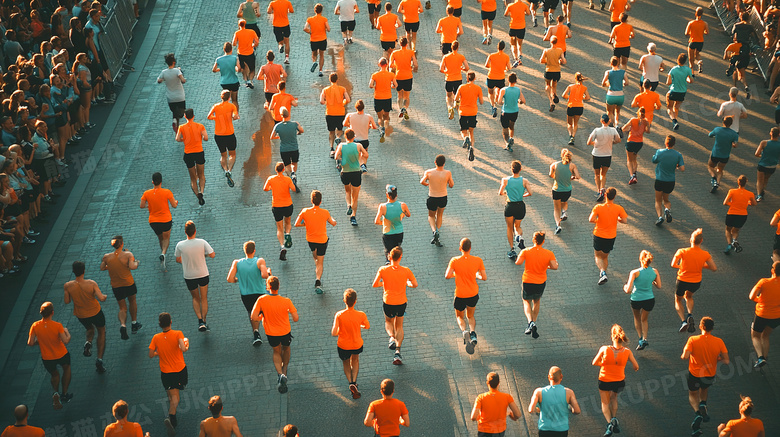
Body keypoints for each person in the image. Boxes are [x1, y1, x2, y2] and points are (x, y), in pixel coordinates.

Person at [251, 276, 299, 393]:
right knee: (286, 349)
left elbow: (253, 317)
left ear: (268, 287)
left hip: (271, 333)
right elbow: (296, 318)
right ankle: (285, 369)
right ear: (279, 287)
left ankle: (280, 374)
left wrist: (261, 317)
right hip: (285, 332)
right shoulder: (286, 301)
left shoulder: (262, 300)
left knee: (276, 351)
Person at [682, 317, 729, 437]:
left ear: (701, 327)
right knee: (704, 389)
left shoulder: (693, 339)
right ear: (712, 328)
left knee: (693, 394)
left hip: (694, 374)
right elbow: (726, 360)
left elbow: (685, 356)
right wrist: (717, 358)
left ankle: (698, 412)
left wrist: (685, 352)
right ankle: (703, 404)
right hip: (709, 374)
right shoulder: (719, 341)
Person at [372, 246, 418, 365]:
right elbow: (415, 284)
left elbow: (375, 284)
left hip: (388, 301)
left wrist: (384, 284)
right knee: (399, 325)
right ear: (401, 257)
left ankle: (391, 337)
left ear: (389, 257)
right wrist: (407, 283)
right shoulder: (406, 270)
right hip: (401, 302)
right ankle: (397, 352)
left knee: (388, 321)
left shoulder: (383, 269)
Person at [592, 324, 639, 437]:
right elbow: (636, 366)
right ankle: (614, 417)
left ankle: (610, 423)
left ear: (612, 336)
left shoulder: (604, 349)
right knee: (614, 398)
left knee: (604, 402)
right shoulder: (627, 351)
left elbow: (594, 362)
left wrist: (603, 364)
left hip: (604, 379)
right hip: (619, 381)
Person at [149, 312, 189, 437]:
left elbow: (151, 354)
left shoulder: (156, 337)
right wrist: (186, 345)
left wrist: (158, 353)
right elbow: (183, 349)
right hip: (179, 370)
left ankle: (170, 399)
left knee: (170, 391)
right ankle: (171, 416)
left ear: (160, 324)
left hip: (166, 372)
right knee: (176, 397)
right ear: (171, 322)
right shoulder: (178, 333)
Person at [63, 261, 107, 373]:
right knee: (101, 331)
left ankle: (88, 342)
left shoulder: (68, 286)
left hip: (81, 314)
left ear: (73, 272)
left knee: (89, 328)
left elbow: (67, 301)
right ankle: (99, 359)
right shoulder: (91, 284)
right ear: (84, 271)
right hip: (95, 312)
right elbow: (101, 298)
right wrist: (104, 296)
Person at [445, 238, 487, 354]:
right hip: (473, 293)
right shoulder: (478, 260)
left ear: (460, 248)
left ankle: (464, 331)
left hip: (460, 295)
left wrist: (456, 274)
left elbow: (447, 275)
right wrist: (476, 275)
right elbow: (484, 277)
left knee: (459, 316)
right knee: (471, 316)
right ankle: (473, 333)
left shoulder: (454, 260)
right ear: (470, 248)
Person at [27, 302, 71, 409]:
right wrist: (67, 332)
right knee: (66, 369)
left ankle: (56, 393)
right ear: (52, 312)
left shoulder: (35, 326)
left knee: (55, 375)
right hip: (61, 354)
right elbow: (65, 341)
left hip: (47, 357)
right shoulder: (57, 326)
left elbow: (30, 342)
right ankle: (64, 394)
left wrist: (40, 341)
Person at [672, 229, 717, 333]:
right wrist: (701, 265)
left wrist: (682, 266)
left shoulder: (682, 251)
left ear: (690, 240)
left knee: (678, 299)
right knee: (689, 296)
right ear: (701, 241)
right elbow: (714, 268)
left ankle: (683, 321)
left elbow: (673, 264)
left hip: (682, 280)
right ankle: (690, 314)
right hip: (696, 282)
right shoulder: (705, 254)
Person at [174, 220, 216, 332]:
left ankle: (199, 320)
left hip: (189, 276)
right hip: (203, 274)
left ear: (185, 232)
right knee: (204, 298)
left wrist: (187, 259)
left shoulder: (180, 245)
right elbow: (212, 254)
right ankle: (205, 320)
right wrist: (203, 255)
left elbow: (178, 259)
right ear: (195, 231)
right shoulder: (202, 242)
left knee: (195, 298)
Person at [226, 240, 270, 346]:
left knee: (252, 313)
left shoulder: (237, 263)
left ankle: (256, 333)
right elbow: (264, 275)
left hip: (246, 294)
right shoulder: (259, 261)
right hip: (260, 293)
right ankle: (271, 330)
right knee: (264, 312)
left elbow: (230, 279)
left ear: (244, 251)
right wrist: (268, 272)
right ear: (254, 251)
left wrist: (237, 279)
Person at [515, 231, 557, 339]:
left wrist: (521, 254)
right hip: (540, 282)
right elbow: (554, 266)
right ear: (543, 241)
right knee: (537, 301)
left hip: (528, 281)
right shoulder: (549, 253)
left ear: (533, 240)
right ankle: (534, 322)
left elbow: (518, 262)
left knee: (526, 301)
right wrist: (546, 266)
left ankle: (530, 322)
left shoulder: (526, 251)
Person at [294, 190, 337, 294]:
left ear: (311, 200)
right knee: (320, 261)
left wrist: (305, 225)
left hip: (311, 240)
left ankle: (316, 266)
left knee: (315, 257)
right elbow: (333, 223)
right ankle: (318, 279)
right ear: (320, 201)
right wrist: (332, 219)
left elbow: (296, 224)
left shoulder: (305, 211)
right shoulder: (325, 212)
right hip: (322, 240)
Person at [99, 235, 141, 340]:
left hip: (116, 285)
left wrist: (111, 266)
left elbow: (102, 267)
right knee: (132, 301)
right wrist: (136, 262)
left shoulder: (107, 257)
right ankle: (134, 323)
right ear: (121, 244)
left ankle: (123, 324)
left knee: (122, 308)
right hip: (128, 283)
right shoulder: (128, 254)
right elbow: (132, 266)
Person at [331, 288, 370, 399]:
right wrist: (359, 325)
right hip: (356, 343)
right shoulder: (361, 314)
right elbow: (367, 326)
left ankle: (350, 382)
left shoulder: (339, 315)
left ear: (344, 300)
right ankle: (354, 381)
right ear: (355, 301)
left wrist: (340, 331)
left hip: (343, 345)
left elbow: (334, 333)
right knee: (355, 360)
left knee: (346, 362)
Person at [623, 250, 661, 351]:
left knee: (637, 318)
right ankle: (645, 338)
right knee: (644, 319)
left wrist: (625, 287)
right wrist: (652, 282)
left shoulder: (635, 272)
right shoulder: (655, 271)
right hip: (649, 299)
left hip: (636, 299)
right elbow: (659, 286)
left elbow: (628, 290)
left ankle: (640, 338)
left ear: (640, 259)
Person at [589, 187, 628, 285]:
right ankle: (603, 273)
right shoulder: (619, 208)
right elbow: (624, 220)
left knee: (597, 256)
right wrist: (616, 219)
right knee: (605, 257)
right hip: (610, 237)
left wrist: (598, 220)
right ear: (614, 196)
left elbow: (591, 219)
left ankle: (602, 272)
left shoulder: (598, 207)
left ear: (605, 195)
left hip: (598, 234)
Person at [140, 172, 178, 271]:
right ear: (161, 181)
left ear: (152, 182)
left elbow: (141, 205)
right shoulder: (167, 192)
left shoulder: (146, 193)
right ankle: (163, 253)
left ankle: (163, 256)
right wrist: (176, 202)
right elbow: (174, 205)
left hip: (153, 222)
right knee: (166, 238)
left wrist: (149, 206)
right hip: (166, 220)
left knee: (160, 238)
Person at [528, 366, 581, 436]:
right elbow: (577, 411)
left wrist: (538, 409)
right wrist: (570, 407)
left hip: (545, 429)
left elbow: (531, 410)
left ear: (549, 377)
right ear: (561, 376)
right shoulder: (569, 392)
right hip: (562, 430)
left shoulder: (538, 392)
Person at [748, 262, 780, 368]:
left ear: (772, 270)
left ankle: (760, 357)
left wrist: (759, 301)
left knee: (755, 335)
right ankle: (765, 358)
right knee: (765, 335)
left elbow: (751, 296)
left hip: (762, 314)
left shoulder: (764, 282)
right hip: (776, 316)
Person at [263, 162, 297, 260]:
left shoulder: (271, 179)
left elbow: (265, 188)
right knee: (288, 221)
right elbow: (294, 189)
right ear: (283, 170)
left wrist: (271, 188)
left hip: (276, 206)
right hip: (288, 205)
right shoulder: (287, 179)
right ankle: (288, 234)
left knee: (279, 227)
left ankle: (282, 246)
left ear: (275, 169)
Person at [499, 160, 532, 259]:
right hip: (520, 206)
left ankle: (512, 249)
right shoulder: (524, 181)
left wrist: (506, 194)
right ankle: (519, 236)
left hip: (510, 206)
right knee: (517, 226)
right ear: (520, 169)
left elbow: (500, 192)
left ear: (511, 169)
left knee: (509, 227)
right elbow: (530, 193)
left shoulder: (505, 180)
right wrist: (523, 195)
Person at [175, 109, 209, 206]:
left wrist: (184, 140)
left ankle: (197, 194)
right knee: (201, 175)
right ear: (193, 116)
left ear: (185, 117)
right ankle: (202, 192)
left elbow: (177, 139)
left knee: (193, 178)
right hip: (199, 152)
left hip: (188, 154)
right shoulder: (200, 126)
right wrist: (200, 138)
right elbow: (206, 138)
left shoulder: (181, 127)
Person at [335, 129, 368, 225]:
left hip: (345, 172)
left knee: (347, 191)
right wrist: (360, 155)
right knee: (355, 196)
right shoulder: (358, 146)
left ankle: (348, 205)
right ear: (354, 137)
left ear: (345, 137)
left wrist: (342, 157)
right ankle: (353, 216)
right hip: (356, 172)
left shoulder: (341, 145)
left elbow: (336, 157)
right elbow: (366, 154)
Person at [207, 90, 240, 187]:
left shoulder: (216, 106)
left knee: (223, 155)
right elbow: (235, 116)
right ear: (229, 98)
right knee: (232, 155)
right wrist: (235, 117)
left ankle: (225, 169)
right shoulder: (232, 106)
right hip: (229, 134)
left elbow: (209, 116)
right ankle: (229, 170)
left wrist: (216, 118)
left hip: (218, 135)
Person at [420, 154, 454, 246]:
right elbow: (451, 185)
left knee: (431, 216)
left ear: (435, 162)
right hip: (443, 197)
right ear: (444, 164)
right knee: (440, 215)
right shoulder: (447, 173)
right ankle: (438, 231)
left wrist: (427, 184)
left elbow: (422, 181)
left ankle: (434, 230)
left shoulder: (429, 172)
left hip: (432, 197)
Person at [652, 135, 685, 226]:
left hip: (659, 180)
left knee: (658, 200)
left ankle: (660, 217)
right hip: (670, 181)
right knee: (666, 200)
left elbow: (654, 160)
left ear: (665, 143)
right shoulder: (678, 155)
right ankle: (667, 210)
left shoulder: (660, 152)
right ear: (674, 144)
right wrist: (677, 165)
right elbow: (682, 169)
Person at [588, 114, 621, 200]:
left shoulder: (596, 130)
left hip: (597, 154)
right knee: (604, 174)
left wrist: (594, 143)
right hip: (607, 154)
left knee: (597, 174)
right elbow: (618, 140)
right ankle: (603, 189)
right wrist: (611, 142)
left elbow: (588, 142)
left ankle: (599, 190)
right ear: (609, 121)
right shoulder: (613, 130)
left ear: (601, 121)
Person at [375, 184, 411, 262]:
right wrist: (402, 215)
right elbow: (408, 214)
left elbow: (376, 221)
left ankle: (389, 263)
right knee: (396, 250)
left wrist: (383, 223)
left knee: (388, 251)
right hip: (399, 233)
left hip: (387, 233)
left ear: (387, 195)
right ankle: (395, 264)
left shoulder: (382, 207)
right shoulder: (403, 205)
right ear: (396, 195)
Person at [270, 107, 303, 189]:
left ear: (281, 116)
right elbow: (302, 130)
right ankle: (293, 173)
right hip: (294, 148)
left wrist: (279, 137)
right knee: (294, 163)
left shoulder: (278, 126)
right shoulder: (295, 124)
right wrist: (297, 133)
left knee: (287, 165)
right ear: (289, 114)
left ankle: (291, 177)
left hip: (284, 150)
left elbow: (271, 137)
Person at [723, 175, 756, 254]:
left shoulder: (732, 191)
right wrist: (747, 203)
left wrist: (733, 204)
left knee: (728, 229)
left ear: (738, 182)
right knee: (736, 230)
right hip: (743, 215)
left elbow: (725, 203)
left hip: (732, 213)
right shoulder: (750, 194)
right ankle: (734, 240)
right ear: (746, 183)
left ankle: (729, 244)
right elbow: (754, 203)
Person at [320, 73, 351, 158]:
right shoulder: (342, 89)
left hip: (329, 113)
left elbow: (321, 101)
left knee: (331, 132)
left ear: (330, 80)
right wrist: (343, 103)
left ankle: (331, 148)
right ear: (337, 80)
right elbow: (348, 99)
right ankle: (339, 141)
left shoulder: (325, 90)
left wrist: (327, 103)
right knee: (340, 129)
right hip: (340, 113)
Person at [454, 72, 484, 161]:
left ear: (467, 78)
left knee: (463, 131)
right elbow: (481, 102)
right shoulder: (478, 88)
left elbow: (456, 98)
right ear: (474, 79)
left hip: (463, 112)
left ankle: (465, 138)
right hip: (473, 112)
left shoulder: (461, 87)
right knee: (471, 132)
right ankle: (472, 147)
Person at [549, 148, 580, 234]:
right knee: (564, 202)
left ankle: (558, 225)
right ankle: (565, 212)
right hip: (567, 190)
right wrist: (571, 178)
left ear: (561, 156)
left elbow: (550, 175)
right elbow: (578, 176)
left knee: (556, 208)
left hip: (557, 189)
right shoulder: (572, 166)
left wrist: (556, 177)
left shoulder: (554, 165)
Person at [342, 100, 378, 171]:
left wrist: (350, 126)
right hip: (365, 140)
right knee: (364, 154)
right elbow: (375, 127)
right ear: (363, 108)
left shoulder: (350, 115)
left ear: (356, 107)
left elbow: (344, 124)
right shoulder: (368, 117)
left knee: (357, 154)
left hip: (354, 140)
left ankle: (358, 166)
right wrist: (369, 126)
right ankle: (363, 165)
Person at [708, 116, 739, 193]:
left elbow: (710, 135)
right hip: (725, 156)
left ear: (723, 122)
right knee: (720, 170)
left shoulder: (717, 129)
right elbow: (735, 144)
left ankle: (713, 178)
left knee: (710, 166)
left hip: (715, 153)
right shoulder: (734, 134)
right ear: (731, 124)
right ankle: (718, 183)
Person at [389, 37, 418, 120]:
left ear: (399, 44)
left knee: (399, 95)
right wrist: (411, 67)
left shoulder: (394, 53)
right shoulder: (411, 52)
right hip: (408, 76)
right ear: (406, 44)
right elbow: (415, 64)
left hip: (398, 76)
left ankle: (401, 108)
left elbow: (390, 65)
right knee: (407, 96)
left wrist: (397, 65)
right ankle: (404, 108)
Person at [369, 57, 397, 143]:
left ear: (379, 65)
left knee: (379, 117)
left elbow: (370, 85)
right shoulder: (391, 75)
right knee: (386, 115)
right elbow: (395, 85)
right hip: (387, 97)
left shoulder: (375, 75)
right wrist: (392, 86)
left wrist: (375, 87)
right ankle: (386, 126)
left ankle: (381, 129)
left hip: (378, 97)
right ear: (387, 64)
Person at [439, 41, 469, 120]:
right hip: (458, 79)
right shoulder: (461, 57)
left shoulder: (446, 57)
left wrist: (446, 71)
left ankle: (450, 108)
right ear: (458, 48)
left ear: (451, 48)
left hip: (449, 79)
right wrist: (462, 68)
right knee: (457, 95)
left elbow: (441, 69)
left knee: (448, 96)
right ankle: (459, 110)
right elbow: (467, 68)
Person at [157, 53, 186, 133]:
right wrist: (181, 73)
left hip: (170, 97)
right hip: (180, 96)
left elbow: (159, 80)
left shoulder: (164, 72)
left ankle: (176, 124)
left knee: (174, 112)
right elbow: (183, 81)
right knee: (181, 113)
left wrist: (163, 79)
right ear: (174, 62)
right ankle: (177, 124)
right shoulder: (177, 71)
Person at [496, 72, 526, 151]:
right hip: (514, 112)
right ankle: (511, 137)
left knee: (505, 129)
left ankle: (507, 143)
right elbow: (523, 100)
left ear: (508, 80)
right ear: (516, 81)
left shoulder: (503, 90)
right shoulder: (518, 90)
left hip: (505, 112)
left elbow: (499, 102)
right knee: (511, 126)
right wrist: (519, 101)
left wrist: (503, 102)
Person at [666, 53, 694, 131]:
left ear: (677, 60)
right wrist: (686, 80)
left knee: (669, 107)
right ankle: (676, 120)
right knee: (676, 107)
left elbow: (668, 82)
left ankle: (674, 121)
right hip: (682, 92)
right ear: (685, 62)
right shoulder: (688, 69)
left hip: (673, 91)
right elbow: (691, 80)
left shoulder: (673, 69)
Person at [622, 107, 649, 185]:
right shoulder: (645, 122)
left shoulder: (633, 120)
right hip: (639, 143)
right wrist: (647, 125)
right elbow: (648, 131)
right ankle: (635, 173)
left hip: (631, 142)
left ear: (638, 112)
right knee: (634, 158)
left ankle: (632, 176)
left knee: (629, 160)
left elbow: (624, 128)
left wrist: (629, 130)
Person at [484, 41, 511, 119]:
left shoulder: (491, 55)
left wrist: (491, 67)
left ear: (497, 47)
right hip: (500, 77)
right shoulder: (506, 57)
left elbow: (486, 65)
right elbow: (508, 68)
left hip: (491, 76)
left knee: (490, 93)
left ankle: (493, 106)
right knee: (499, 90)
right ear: (504, 48)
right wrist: (505, 68)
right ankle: (497, 100)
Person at [562, 72, 590, 145]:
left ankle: (570, 136)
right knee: (576, 123)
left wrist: (569, 97)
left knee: (569, 123)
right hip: (579, 107)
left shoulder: (570, 86)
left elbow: (563, 95)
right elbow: (587, 97)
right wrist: (582, 97)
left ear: (575, 78)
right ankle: (574, 136)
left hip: (571, 106)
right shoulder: (584, 88)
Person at [212, 43, 241, 112]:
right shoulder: (235, 58)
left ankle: (227, 112)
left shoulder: (218, 59)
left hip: (224, 82)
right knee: (234, 100)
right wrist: (235, 68)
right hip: (234, 81)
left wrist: (220, 69)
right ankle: (235, 114)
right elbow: (239, 68)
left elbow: (213, 70)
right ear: (231, 49)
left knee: (226, 100)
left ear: (224, 49)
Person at [540, 36, 566, 112]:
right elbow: (563, 61)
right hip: (557, 71)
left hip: (548, 70)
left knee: (547, 85)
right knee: (554, 84)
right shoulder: (560, 50)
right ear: (556, 42)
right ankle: (554, 94)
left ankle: (551, 101)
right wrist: (559, 61)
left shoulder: (546, 50)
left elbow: (541, 60)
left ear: (550, 42)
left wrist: (547, 61)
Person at [231, 19, 259, 89]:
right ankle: (250, 80)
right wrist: (253, 45)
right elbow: (257, 42)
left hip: (241, 53)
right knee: (252, 68)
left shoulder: (237, 33)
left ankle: (246, 80)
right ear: (245, 24)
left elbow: (234, 44)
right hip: (250, 53)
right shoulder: (251, 32)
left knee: (243, 67)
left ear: (239, 25)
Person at [754, 126, 780, 201]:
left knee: (759, 180)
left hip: (762, 165)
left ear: (770, 133)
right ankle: (762, 191)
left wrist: (762, 156)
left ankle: (759, 195)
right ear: (778, 134)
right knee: (765, 179)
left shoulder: (764, 143)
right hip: (772, 166)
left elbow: (756, 154)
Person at [304, 4, 330, 77]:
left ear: (314, 10)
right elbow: (328, 29)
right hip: (322, 39)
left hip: (313, 40)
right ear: (321, 11)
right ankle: (320, 70)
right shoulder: (324, 19)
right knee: (321, 55)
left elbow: (305, 28)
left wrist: (310, 32)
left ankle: (314, 62)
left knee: (314, 53)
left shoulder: (310, 19)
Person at [602, 56, 628, 127]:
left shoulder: (608, 72)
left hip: (611, 94)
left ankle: (612, 125)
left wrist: (608, 84)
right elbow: (627, 83)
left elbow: (603, 83)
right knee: (617, 111)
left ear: (611, 63)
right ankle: (617, 124)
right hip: (620, 95)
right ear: (618, 63)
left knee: (610, 112)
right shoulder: (623, 72)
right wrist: (622, 83)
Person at [504, 0, 530, 66]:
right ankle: (520, 57)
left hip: (513, 27)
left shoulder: (510, 5)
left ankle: (515, 58)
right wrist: (522, 13)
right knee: (519, 45)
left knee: (513, 44)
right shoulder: (524, 5)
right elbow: (528, 13)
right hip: (521, 27)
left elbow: (505, 14)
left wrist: (511, 13)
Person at [685, 7, 709, 74]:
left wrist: (691, 33)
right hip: (700, 42)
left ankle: (692, 73)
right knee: (697, 55)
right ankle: (699, 61)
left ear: (695, 13)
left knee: (691, 59)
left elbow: (686, 33)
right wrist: (702, 32)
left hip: (692, 41)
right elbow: (707, 32)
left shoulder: (691, 23)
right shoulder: (705, 23)